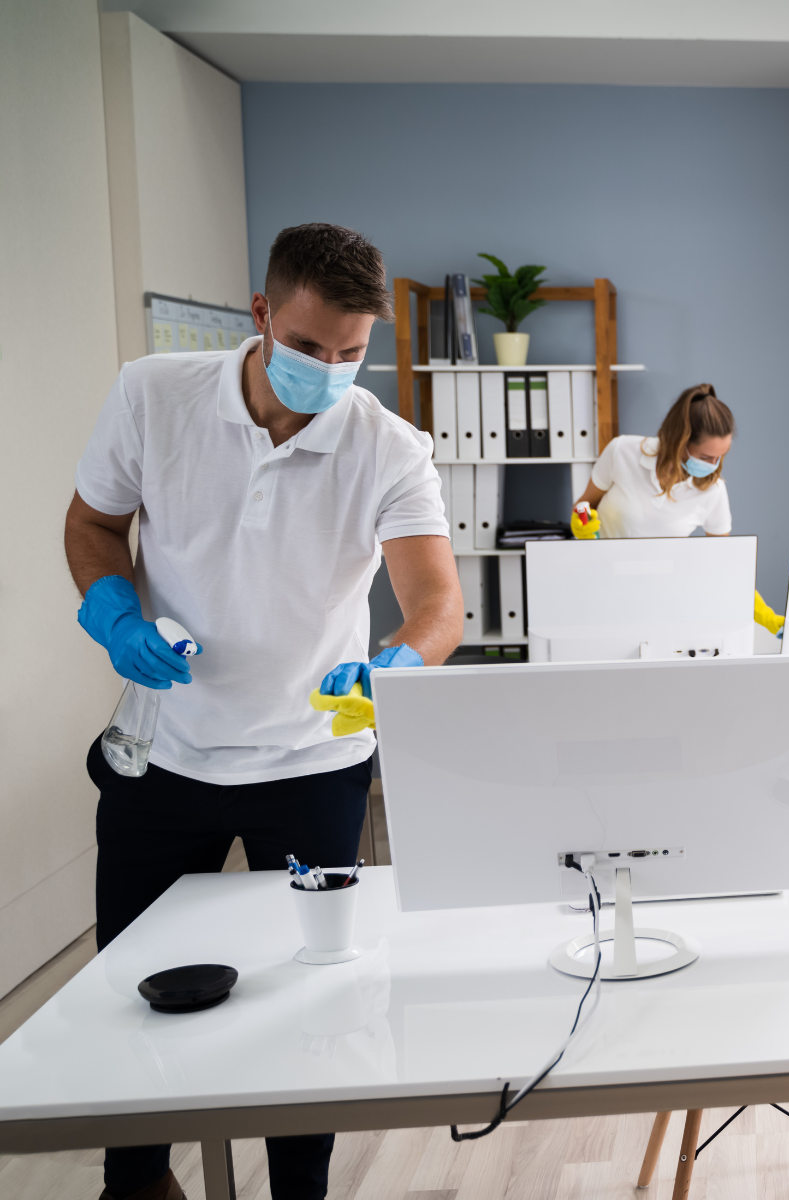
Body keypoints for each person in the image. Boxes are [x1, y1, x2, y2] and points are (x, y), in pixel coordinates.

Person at [66, 224, 462, 1200]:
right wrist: (113, 612)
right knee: (137, 991)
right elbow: (93, 523)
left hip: (312, 768)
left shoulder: (388, 447)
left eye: (353, 353)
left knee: (312, 1002)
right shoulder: (151, 395)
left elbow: (437, 604)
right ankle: (139, 1178)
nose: (330, 371)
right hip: (166, 757)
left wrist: (397, 661)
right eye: (310, 347)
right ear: (261, 314)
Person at [570, 382, 783, 633]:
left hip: (661, 603)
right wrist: (581, 525)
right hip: (602, 590)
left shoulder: (712, 490)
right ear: (680, 440)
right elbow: (585, 504)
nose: (714, 465)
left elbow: (725, 562)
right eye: (706, 457)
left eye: (720, 456)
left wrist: (767, 616)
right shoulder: (621, 452)